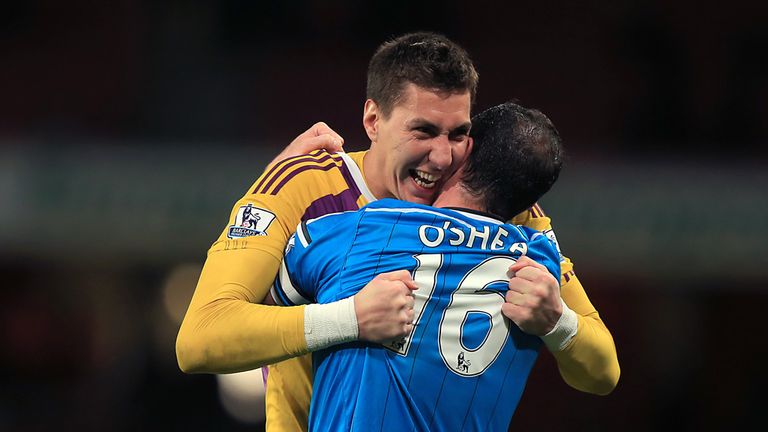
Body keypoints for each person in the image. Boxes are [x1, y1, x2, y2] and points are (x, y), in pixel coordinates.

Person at [176, 32, 618, 431]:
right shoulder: (305, 186)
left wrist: (558, 321)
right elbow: (200, 339)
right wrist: (351, 318)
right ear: (373, 121)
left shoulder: (503, 206)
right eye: (423, 131)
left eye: (458, 134)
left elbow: (603, 370)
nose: (443, 158)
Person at [269, 102, 614, 431]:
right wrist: (557, 322)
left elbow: (248, 304)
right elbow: (605, 374)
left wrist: (281, 176)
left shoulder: (360, 230)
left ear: (465, 154)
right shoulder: (540, 259)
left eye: (456, 136)